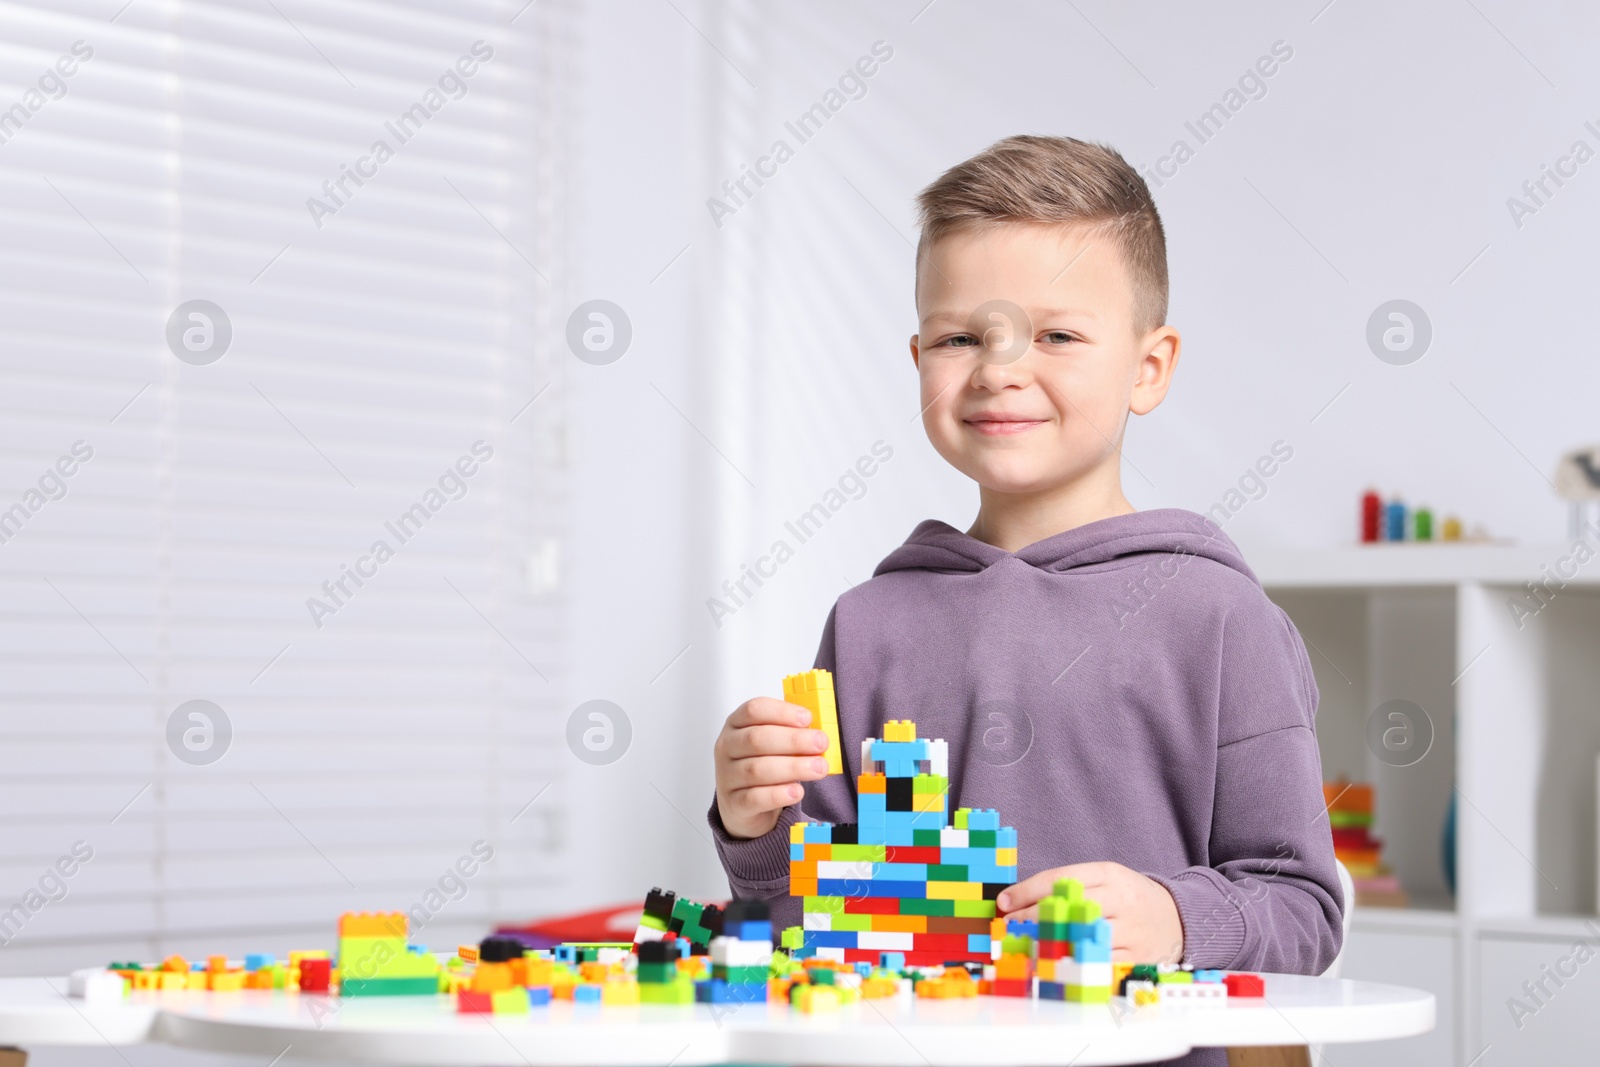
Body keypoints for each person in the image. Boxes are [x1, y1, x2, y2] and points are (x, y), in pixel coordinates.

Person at [707, 137, 1342, 1056]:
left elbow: (1302, 910)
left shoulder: (1219, 618)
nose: (1000, 368)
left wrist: (1171, 917)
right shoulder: (868, 623)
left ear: (1148, 368)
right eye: (963, 336)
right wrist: (753, 821)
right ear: (918, 353)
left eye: (1057, 334)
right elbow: (806, 916)